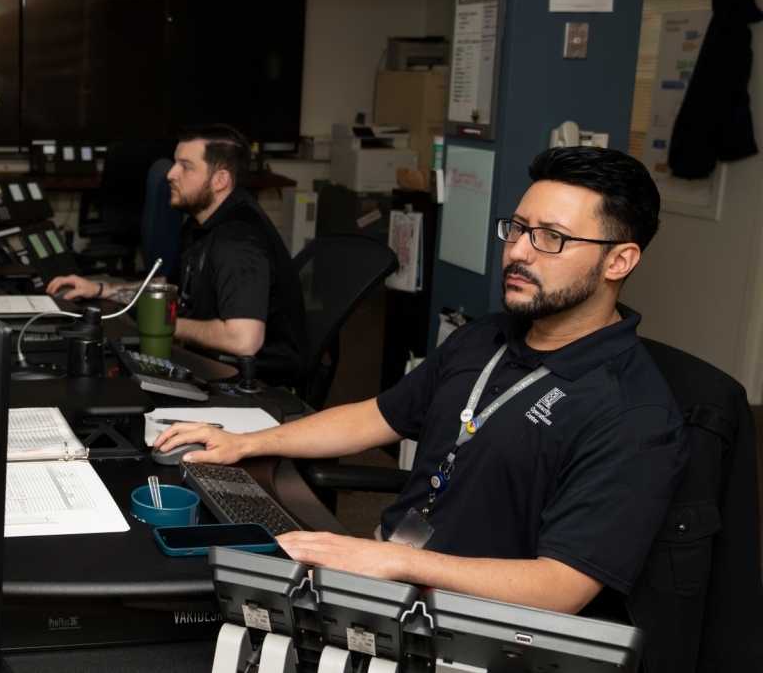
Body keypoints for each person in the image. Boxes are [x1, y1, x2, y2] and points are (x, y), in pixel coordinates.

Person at [155, 146, 687, 615]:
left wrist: (395, 562)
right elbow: (377, 415)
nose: (519, 251)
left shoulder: (634, 415)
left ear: (619, 260)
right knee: (185, 583)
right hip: (389, 577)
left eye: (552, 238)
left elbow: (561, 587)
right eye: (518, 228)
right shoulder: (486, 336)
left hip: (466, 621)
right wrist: (246, 443)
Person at [46, 124, 307, 363]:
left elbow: (243, 339)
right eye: (174, 163)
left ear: (220, 180)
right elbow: (169, 288)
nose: (171, 174)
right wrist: (99, 289)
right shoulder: (200, 222)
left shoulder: (238, 242)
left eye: (186, 166)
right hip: (212, 361)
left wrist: (166, 323)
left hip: (256, 386)